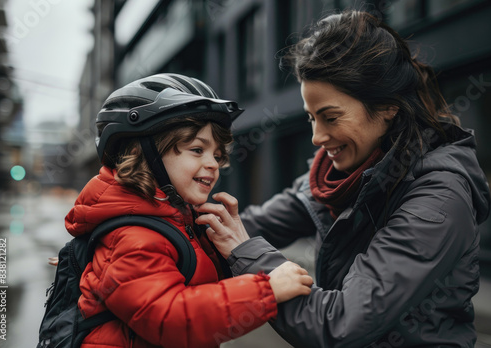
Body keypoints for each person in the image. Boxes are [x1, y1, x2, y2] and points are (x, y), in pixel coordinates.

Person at [195, 10, 491, 347]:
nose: (317, 137)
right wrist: (160, 227)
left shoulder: (439, 196)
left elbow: (338, 325)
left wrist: (246, 254)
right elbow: (251, 225)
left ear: (387, 107)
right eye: (311, 118)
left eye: (330, 117)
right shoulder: (333, 178)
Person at [64, 73, 313, 348]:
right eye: (197, 149)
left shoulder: (178, 221)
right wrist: (265, 290)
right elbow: (170, 318)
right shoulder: (134, 236)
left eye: (218, 155)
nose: (214, 163)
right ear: (147, 154)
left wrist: (233, 246)